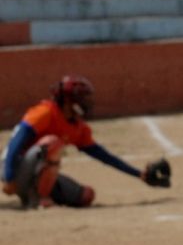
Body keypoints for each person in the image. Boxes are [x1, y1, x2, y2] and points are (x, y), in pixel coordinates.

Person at [2, 76, 170, 208]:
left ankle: (37, 194)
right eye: (81, 98)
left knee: (86, 196)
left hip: (35, 175)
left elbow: (103, 156)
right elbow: (15, 143)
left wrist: (139, 174)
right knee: (53, 143)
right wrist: (9, 178)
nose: (86, 102)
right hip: (15, 168)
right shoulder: (45, 112)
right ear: (68, 101)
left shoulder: (78, 127)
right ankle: (39, 200)